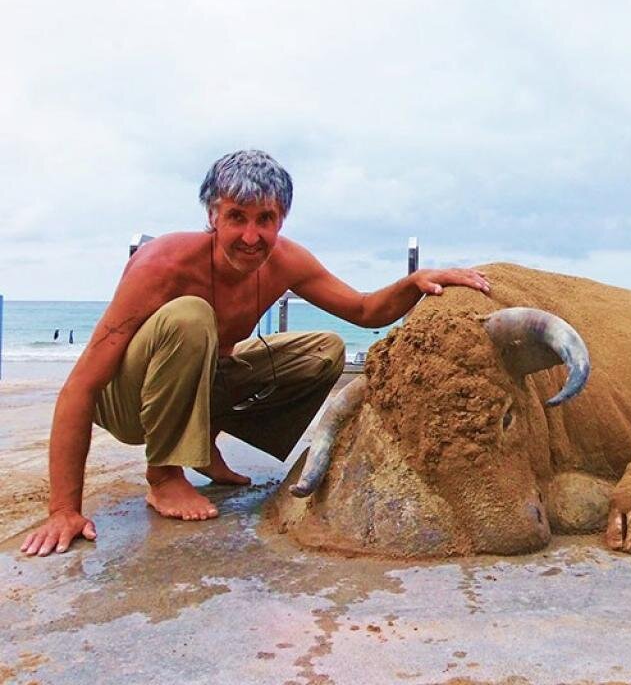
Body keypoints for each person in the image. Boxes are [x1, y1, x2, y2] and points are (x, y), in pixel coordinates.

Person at [21, 150, 490, 557]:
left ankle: (201, 443)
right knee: (190, 316)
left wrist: (412, 283)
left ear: (280, 218)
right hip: (126, 404)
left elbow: (365, 310)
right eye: (237, 217)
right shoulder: (162, 264)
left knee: (322, 350)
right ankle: (163, 475)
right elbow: (81, 385)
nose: (251, 236)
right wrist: (64, 509)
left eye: (264, 219)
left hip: (198, 383)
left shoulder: (286, 260)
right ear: (212, 216)